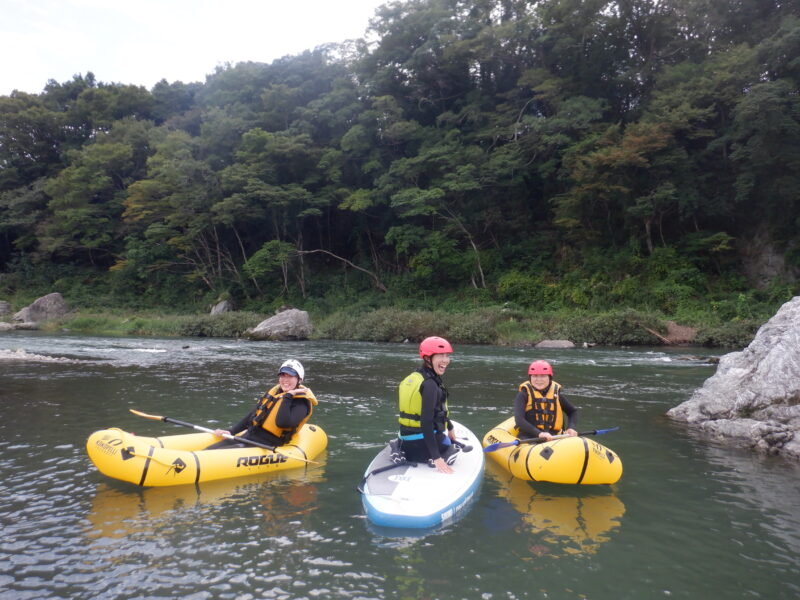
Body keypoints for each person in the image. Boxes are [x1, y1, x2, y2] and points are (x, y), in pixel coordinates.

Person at [207, 359, 317, 449]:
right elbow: (253, 415)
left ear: (299, 380)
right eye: (282, 375)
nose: (285, 380)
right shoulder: (275, 393)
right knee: (209, 450)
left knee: (211, 458)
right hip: (250, 436)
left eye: (290, 376)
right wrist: (231, 431)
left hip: (266, 444)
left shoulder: (301, 403)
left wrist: (288, 396)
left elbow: (282, 423)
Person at [398, 336, 459, 473]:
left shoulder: (413, 378)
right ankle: (434, 457)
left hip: (406, 444)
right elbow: (426, 422)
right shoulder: (430, 384)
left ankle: (396, 448)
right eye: (440, 356)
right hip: (423, 448)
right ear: (427, 358)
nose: (446, 360)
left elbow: (438, 409)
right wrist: (437, 457)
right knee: (452, 446)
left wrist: (449, 427)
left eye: (447, 355)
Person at [513, 360, 578, 441]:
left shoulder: (556, 394)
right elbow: (519, 420)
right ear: (530, 378)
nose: (538, 380)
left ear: (549, 377)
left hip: (554, 438)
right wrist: (539, 433)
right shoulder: (523, 395)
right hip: (530, 438)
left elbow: (572, 412)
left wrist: (571, 427)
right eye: (535, 376)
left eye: (543, 376)